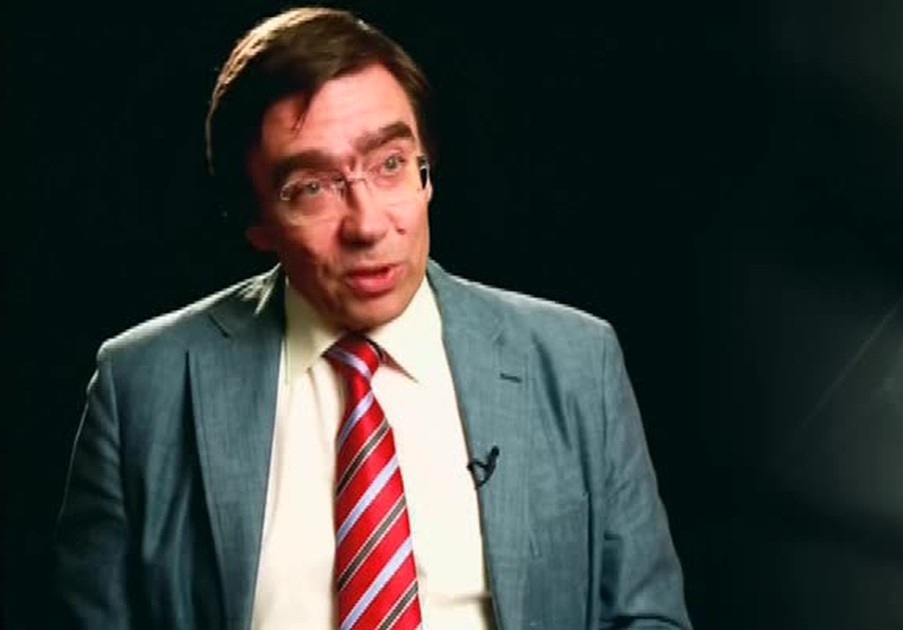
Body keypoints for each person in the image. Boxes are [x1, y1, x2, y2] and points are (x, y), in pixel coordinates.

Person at [54, 6, 690, 629]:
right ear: (255, 221)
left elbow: (646, 616)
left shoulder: (577, 362)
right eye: (312, 187)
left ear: (426, 174)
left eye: (390, 165)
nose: (367, 225)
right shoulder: (140, 387)